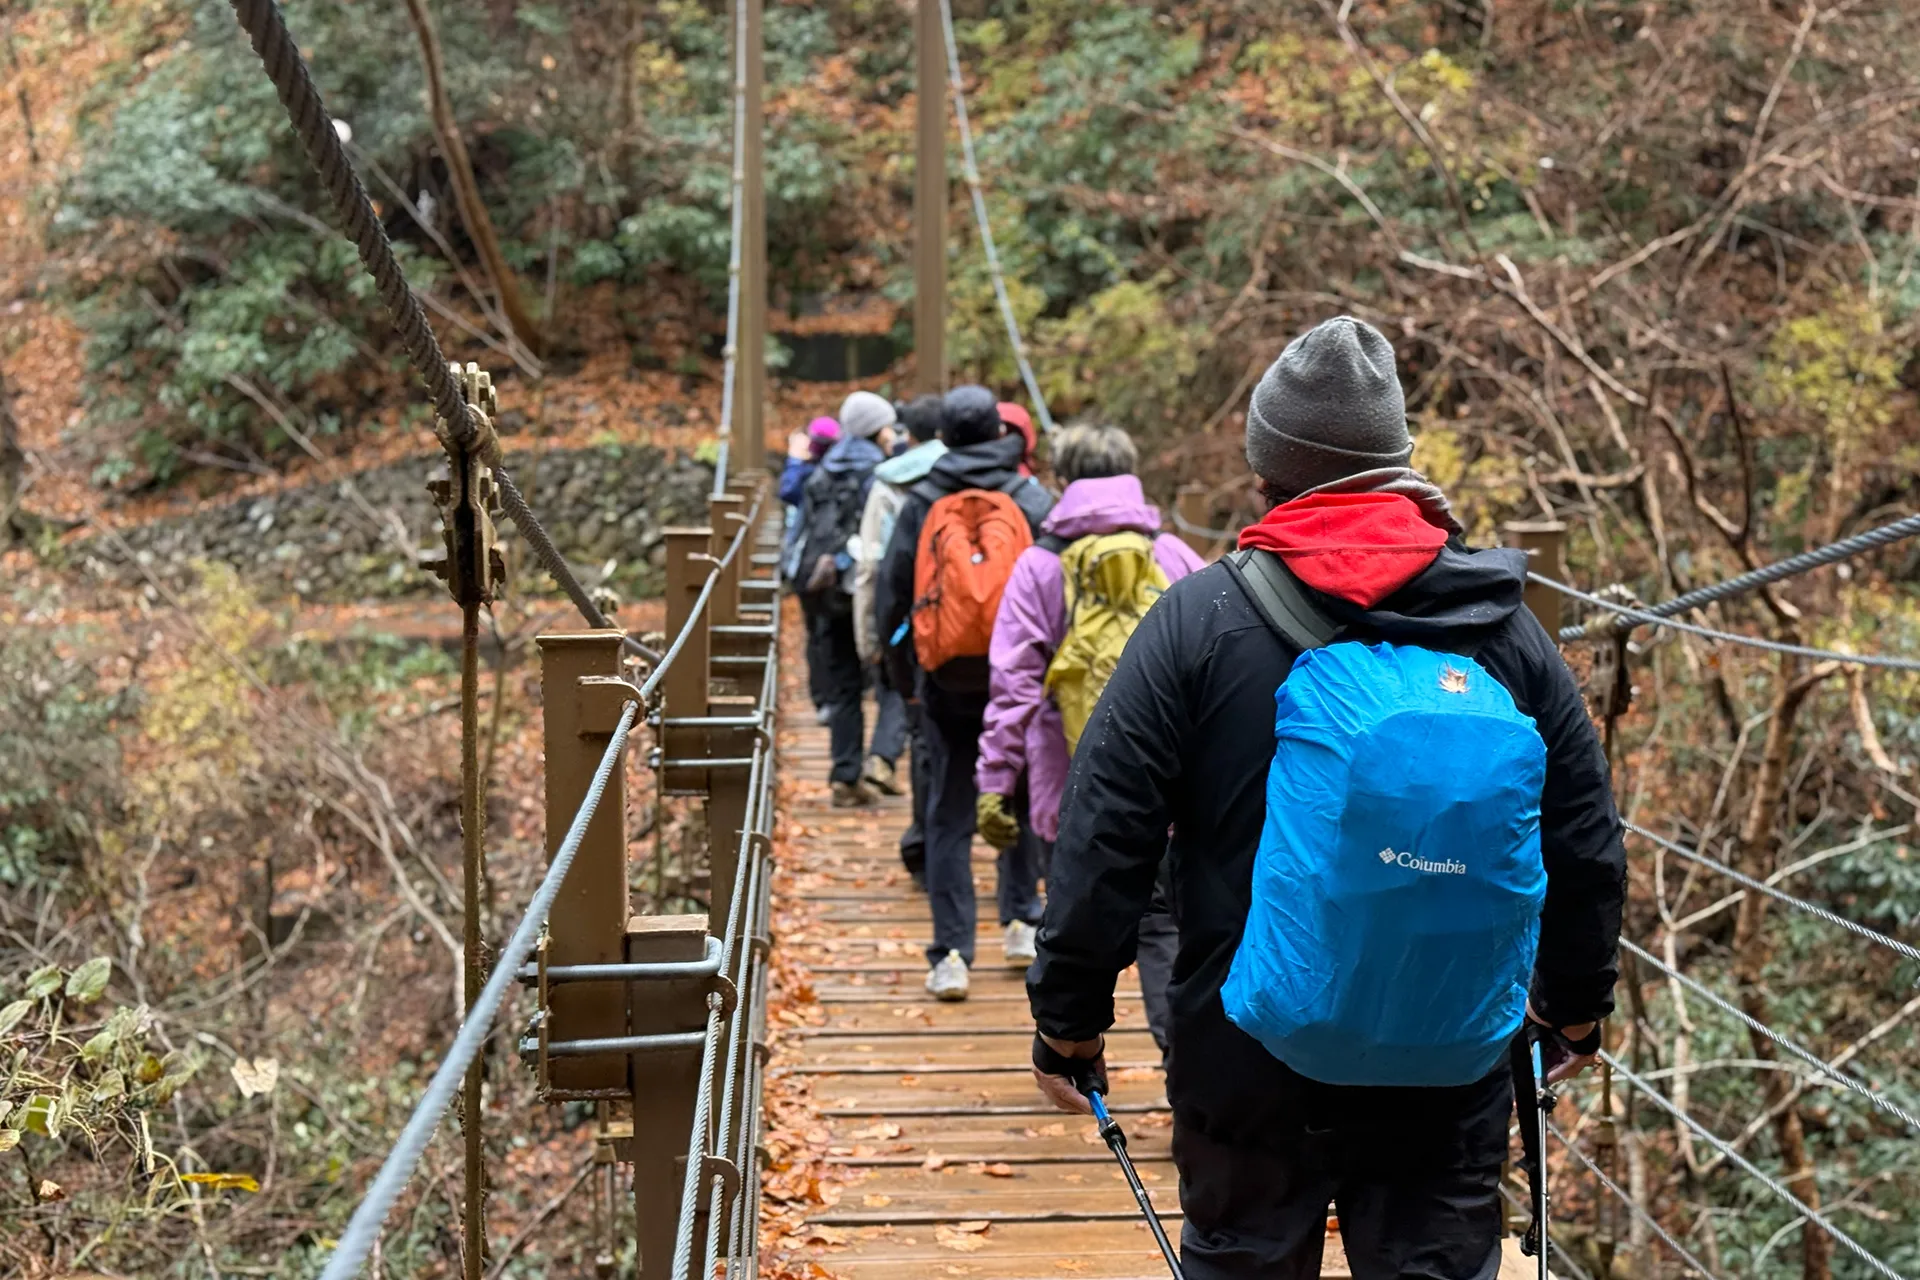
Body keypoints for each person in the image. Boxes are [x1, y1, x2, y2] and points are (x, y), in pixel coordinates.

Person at [1027, 316, 1625, 1280]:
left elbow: (1107, 830)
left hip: (1247, 1041)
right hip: (1453, 1042)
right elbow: (1585, 839)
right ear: (1398, 463)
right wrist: (1577, 1005)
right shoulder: (1506, 634)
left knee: (1246, 1258)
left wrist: (1068, 1018)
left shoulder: (1199, 620)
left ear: (1267, 463)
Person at [972, 424, 1202, 1042]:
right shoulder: (1175, 556)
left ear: (1061, 480)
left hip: (1070, 780)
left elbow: (1014, 685)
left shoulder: (1039, 566)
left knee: (1070, 922)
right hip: (1174, 783)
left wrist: (995, 780)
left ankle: (1067, 1041)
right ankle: (1182, 1069)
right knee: (1165, 932)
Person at [876, 385, 1053, 1001]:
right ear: (1000, 433)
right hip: (1020, 680)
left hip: (944, 681)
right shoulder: (1031, 499)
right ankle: (1021, 920)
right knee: (1019, 793)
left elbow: (891, 598)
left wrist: (906, 687)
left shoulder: (920, 499)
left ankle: (951, 952)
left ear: (943, 437)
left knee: (948, 811)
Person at [854, 395, 947, 885]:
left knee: (926, 737)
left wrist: (872, 637)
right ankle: (1015, 890)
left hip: (912, 629)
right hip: (975, 630)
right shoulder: (981, 476)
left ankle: (927, 841)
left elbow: (874, 568)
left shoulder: (890, 483)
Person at [795, 391, 897, 806]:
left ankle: (844, 772)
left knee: (842, 687)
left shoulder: (821, 471)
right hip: (868, 591)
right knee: (890, 679)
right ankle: (883, 759)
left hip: (826, 592)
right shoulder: (883, 472)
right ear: (877, 428)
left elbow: (800, 531)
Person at [780, 417, 840, 722]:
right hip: (837, 565)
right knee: (829, 633)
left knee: (817, 633)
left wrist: (793, 457)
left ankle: (823, 698)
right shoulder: (844, 473)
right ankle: (835, 697)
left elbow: (787, 492)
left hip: (808, 566)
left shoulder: (805, 475)